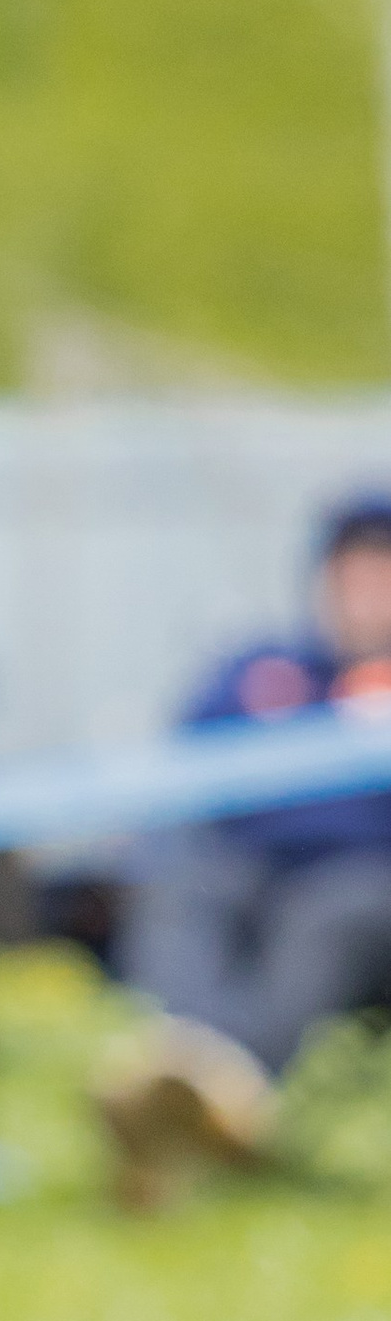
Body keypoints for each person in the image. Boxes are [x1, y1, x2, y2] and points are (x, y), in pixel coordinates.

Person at [96, 494, 391, 1205]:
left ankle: (218, 1089)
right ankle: (182, 1068)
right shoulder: (262, 667)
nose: (365, 593)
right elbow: (185, 771)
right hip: (241, 865)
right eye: (352, 573)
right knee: (180, 882)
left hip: (361, 883)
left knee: (331, 912)